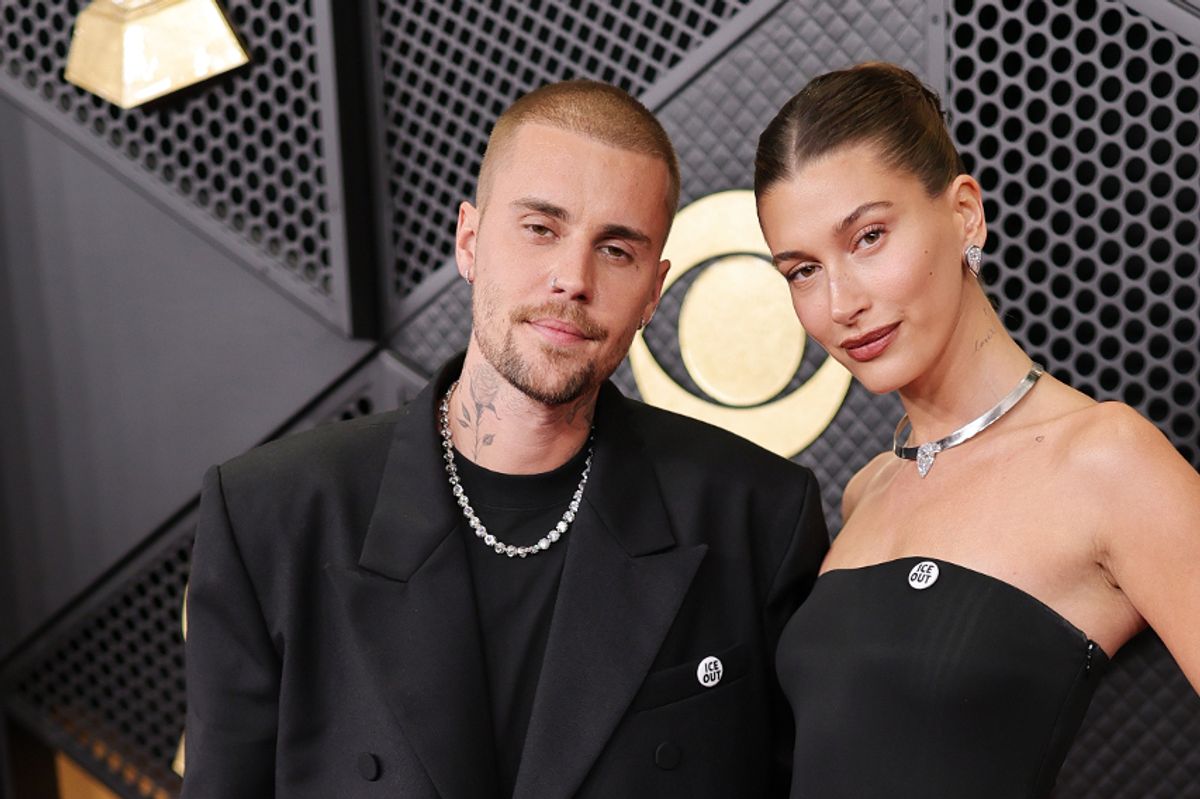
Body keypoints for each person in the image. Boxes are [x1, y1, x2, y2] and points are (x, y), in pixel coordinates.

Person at [181, 79, 829, 799]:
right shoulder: (271, 516)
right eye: (541, 228)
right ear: (469, 239)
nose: (571, 279)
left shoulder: (757, 516)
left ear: (653, 290)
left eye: (616, 249)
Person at [753, 62, 1200, 798]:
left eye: (868, 237)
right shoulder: (871, 488)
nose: (840, 302)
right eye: (801, 270)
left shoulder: (1104, 459)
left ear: (965, 212)